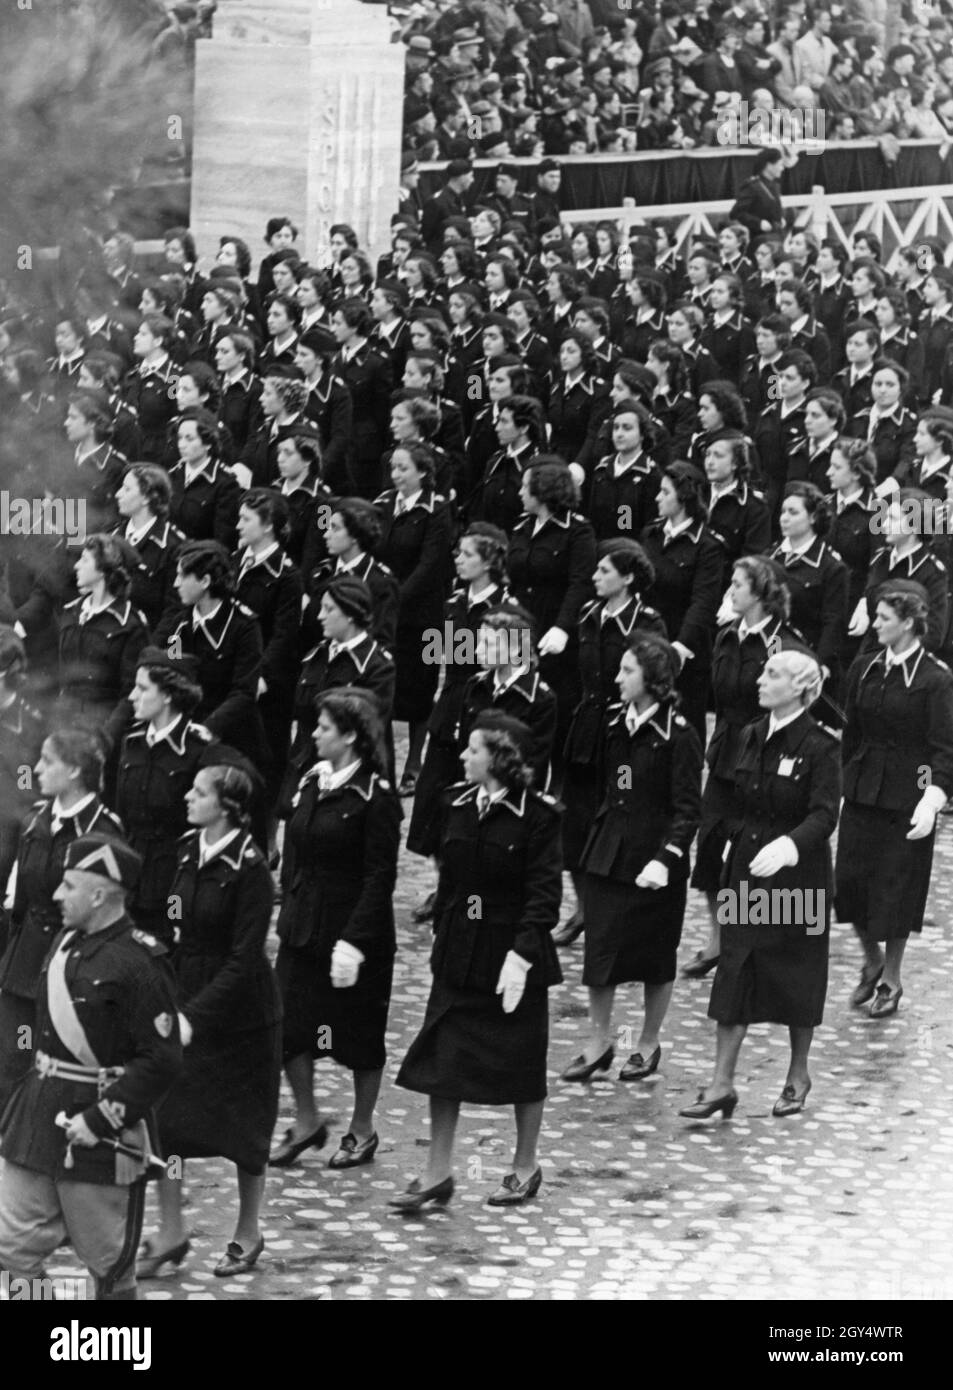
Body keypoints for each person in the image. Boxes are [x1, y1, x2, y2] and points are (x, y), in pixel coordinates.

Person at [0, 833, 181, 1301]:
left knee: (110, 1267)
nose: (57, 895)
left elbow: (161, 1060)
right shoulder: (65, 942)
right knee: (11, 1247)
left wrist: (102, 1118)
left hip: (100, 1134)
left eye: (69, 886)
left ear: (99, 895)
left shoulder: (141, 964)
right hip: (37, 1122)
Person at [393, 716, 563, 1209]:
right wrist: (443, 932)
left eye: (473, 750)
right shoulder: (457, 804)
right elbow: (450, 882)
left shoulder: (539, 815)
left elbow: (544, 896)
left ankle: (524, 1164)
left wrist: (522, 956)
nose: (463, 757)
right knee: (441, 1060)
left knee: (521, 1061)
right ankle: (437, 1172)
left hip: (513, 955)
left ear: (500, 757)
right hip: (462, 953)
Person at [138, 748, 281, 1279]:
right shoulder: (183, 851)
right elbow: (175, 928)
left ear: (226, 807)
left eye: (198, 793)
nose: (187, 798)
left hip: (241, 1014)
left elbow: (245, 959)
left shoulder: (251, 869)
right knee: (168, 1122)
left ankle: (248, 1231)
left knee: (245, 1131)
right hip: (188, 996)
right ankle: (172, 1231)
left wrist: (196, 1014)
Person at [681, 646, 840, 1121]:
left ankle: (797, 1075)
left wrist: (791, 845)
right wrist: (731, 840)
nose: (760, 681)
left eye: (772, 675)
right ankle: (721, 1083)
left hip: (798, 876)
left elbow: (825, 813)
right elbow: (732, 798)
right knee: (735, 967)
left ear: (800, 688)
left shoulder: (821, 746)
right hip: (748, 871)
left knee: (797, 972)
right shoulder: (751, 734)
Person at [562, 633, 702, 1083]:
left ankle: (646, 1042)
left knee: (655, 955)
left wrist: (666, 857)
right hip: (609, 851)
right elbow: (615, 786)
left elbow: (687, 809)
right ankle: (599, 1042)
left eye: (628, 671)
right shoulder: (612, 725)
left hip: (655, 859)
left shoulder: (679, 735)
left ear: (653, 680)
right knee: (600, 952)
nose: (618, 678)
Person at [272, 689, 400, 1171]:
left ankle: (362, 1129)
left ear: (349, 736)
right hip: (304, 927)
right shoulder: (312, 781)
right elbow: (295, 852)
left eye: (324, 727)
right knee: (288, 1025)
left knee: (359, 1034)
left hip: (352, 933)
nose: (314, 734)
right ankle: (307, 1120)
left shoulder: (375, 796)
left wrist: (354, 940)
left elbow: (380, 876)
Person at [835, 582, 953, 1019]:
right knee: (848, 887)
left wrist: (932, 797)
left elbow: (944, 747)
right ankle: (872, 959)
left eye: (884, 617)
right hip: (864, 790)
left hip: (908, 799)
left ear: (908, 623)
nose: (876, 624)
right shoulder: (865, 668)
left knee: (896, 892)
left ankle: (892, 979)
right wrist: (844, 786)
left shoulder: (935, 678)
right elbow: (852, 734)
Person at [0, 729, 122, 1106]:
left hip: (74, 966)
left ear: (74, 770)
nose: (36, 769)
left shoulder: (103, 830)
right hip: (25, 967)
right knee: (15, 1055)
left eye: (47, 761)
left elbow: (108, 912)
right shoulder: (35, 822)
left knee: (59, 1065)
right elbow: (16, 900)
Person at [686, 557, 794, 978]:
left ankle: (751, 942)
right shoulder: (727, 636)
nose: (729, 590)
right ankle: (718, 939)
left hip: (762, 759)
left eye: (737, 584)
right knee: (711, 846)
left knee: (754, 851)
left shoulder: (782, 644)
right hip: (725, 755)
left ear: (760, 592)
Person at [558, 541, 665, 948]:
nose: (595, 577)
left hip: (625, 734)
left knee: (619, 819)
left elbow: (656, 679)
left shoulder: (647, 622)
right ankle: (584, 910)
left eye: (604, 571)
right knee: (575, 823)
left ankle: (614, 913)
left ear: (628, 577)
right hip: (586, 729)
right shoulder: (588, 615)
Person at [406, 524, 513, 918]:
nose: (458, 559)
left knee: (472, 801)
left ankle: (465, 888)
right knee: (436, 798)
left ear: (488, 562)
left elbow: (510, 662)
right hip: (450, 704)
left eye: (467, 554)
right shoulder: (453, 602)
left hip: (483, 705)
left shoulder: (505, 609)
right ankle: (442, 882)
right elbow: (441, 654)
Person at [115, 648, 211, 948]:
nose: (132, 696)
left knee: (168, 952)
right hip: (130, 877)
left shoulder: (198, 750)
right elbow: (120, 813)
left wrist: (179, 911)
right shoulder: (131, 743)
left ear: (168, 695)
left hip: (172, 882)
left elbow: (199, 834)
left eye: (142, 688)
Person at [374, 443, 453, 794]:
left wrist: (396, 597)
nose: (396, 474)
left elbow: (430, 563)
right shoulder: (383, 504)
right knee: (388, 683)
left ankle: (415, 762)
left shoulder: (437, 509)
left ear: (422, 471)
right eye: (393, 467)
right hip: (388, 611)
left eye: (403, 468)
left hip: (425, 613)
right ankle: (385, 760)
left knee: (421, 687)